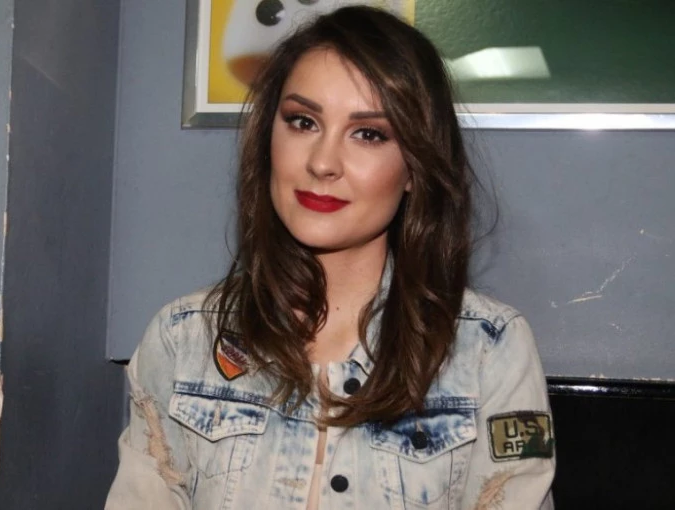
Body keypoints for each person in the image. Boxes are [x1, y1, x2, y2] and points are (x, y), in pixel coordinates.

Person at [105, 6, 555, 509]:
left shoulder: (489, 351)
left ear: (415, 167)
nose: (322, 162)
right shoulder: (182, 340)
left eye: (369, 133)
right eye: (303, 122)